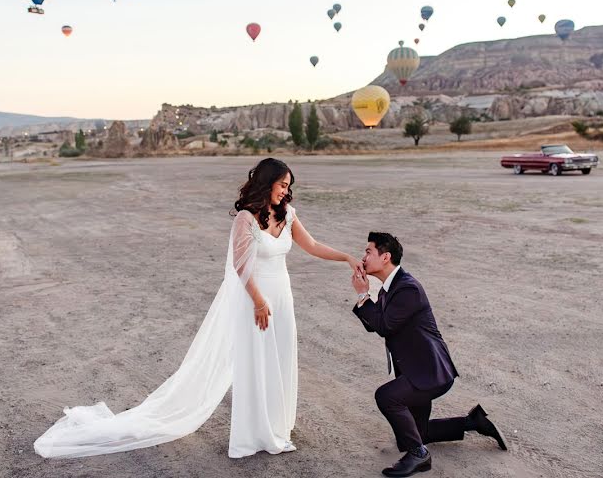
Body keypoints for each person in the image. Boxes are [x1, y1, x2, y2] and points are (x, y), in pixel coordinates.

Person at [34, 158, 364, 459]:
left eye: (289, 185)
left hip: (283, 297)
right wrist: (259, 301)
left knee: (279, 359)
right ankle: (255, 434)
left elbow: (313, 245)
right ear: (266, 184)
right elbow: (240, 266)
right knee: (256, 364)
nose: (286, 191)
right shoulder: (246, 219)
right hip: (256, 301)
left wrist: (348, 259)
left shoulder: (288, 214)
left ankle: (278, 426)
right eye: (281, 185)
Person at [351, 232, 507, 477]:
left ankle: (419, 456)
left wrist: (362, 295)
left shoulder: (407, 288)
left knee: (387, 397)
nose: (363, 256)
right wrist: (365, 294)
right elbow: (376, 323)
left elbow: (383, 326)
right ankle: (472, 422)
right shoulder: (388, 288)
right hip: (416, 370)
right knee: (414, 436)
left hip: (429, 372)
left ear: (385, 257)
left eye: (368, 251)